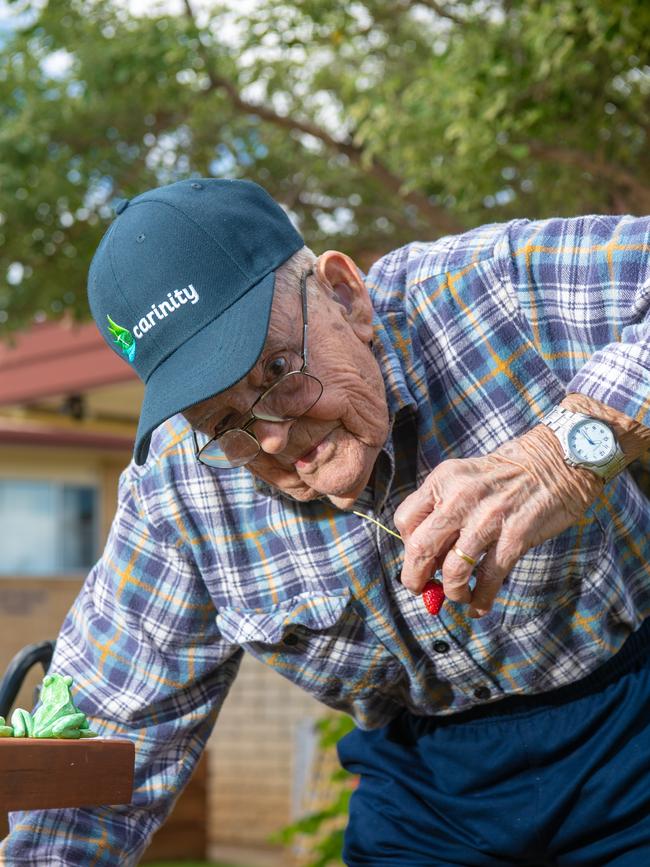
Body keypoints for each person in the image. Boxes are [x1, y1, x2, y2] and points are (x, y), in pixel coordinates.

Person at [1, 178, 649, 866]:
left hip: (629, 722)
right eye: (226, 423)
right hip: (428, 788)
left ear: (344, 294)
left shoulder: (484, 291)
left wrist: (566, 453)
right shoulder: (179, 489)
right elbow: (104, 736)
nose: (273, 437)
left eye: (277, 369)